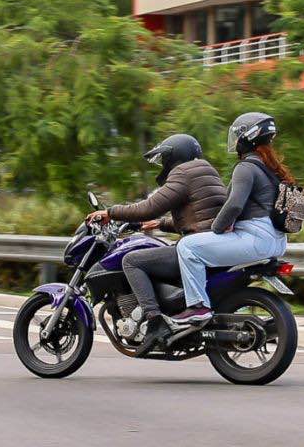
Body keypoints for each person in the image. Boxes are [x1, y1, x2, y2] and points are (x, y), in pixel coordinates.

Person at [85, 134, 226, 354]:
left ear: (175, 157)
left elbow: (150, 206)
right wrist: (161, 224)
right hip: (213, 244)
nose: (163, 166)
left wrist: (110, 213)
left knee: (131, 260)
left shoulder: (182, 172)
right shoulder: (207, 171)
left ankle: (154, 321)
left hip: (196, 246)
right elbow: (199, 217)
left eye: (164, 160)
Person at [173, 112, 292, 323]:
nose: (235, 141)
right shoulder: (272, 169)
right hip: (277, 242)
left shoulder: (245, 167)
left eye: (238, 135)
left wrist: (217, 228)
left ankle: (198, 307)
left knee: (187, 246)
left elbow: (234, 204)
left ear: (248, 137)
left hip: (255, 238)